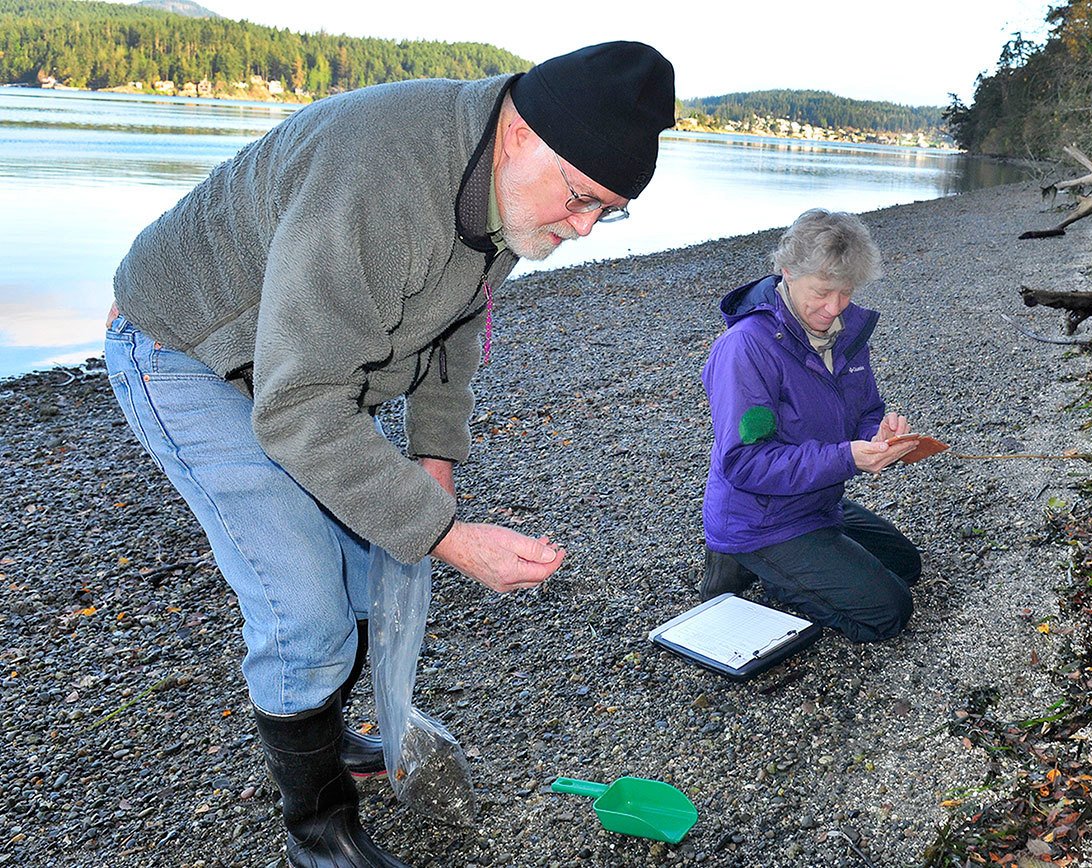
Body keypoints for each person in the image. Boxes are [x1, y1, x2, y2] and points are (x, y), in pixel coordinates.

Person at [103, 42, 675, 866]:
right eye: (582, 198)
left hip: (300, 362)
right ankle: (319, 831)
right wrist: (447, 536)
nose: (584, 227)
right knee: (306, 608)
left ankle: (326, 738)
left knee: (372, 566)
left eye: (607, 211)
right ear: (519, 133)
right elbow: (298, 408)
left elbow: (457, 323)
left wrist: (434, 462)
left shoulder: (512, 194)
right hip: (190, 348)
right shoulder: (379, 177)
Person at [699, 209, 923, 644]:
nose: (834, 308)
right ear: (787, 272)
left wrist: (878, 433)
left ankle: (790, 565)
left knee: (906, 565)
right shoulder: (746, 349)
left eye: (846, 292)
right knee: (889, 612)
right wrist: (846, 457)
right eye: (822, 292)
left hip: (817, 503)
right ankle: (751, 565)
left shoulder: (846, 333)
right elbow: (744, 462)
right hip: (761, 517)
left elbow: (865, 409)